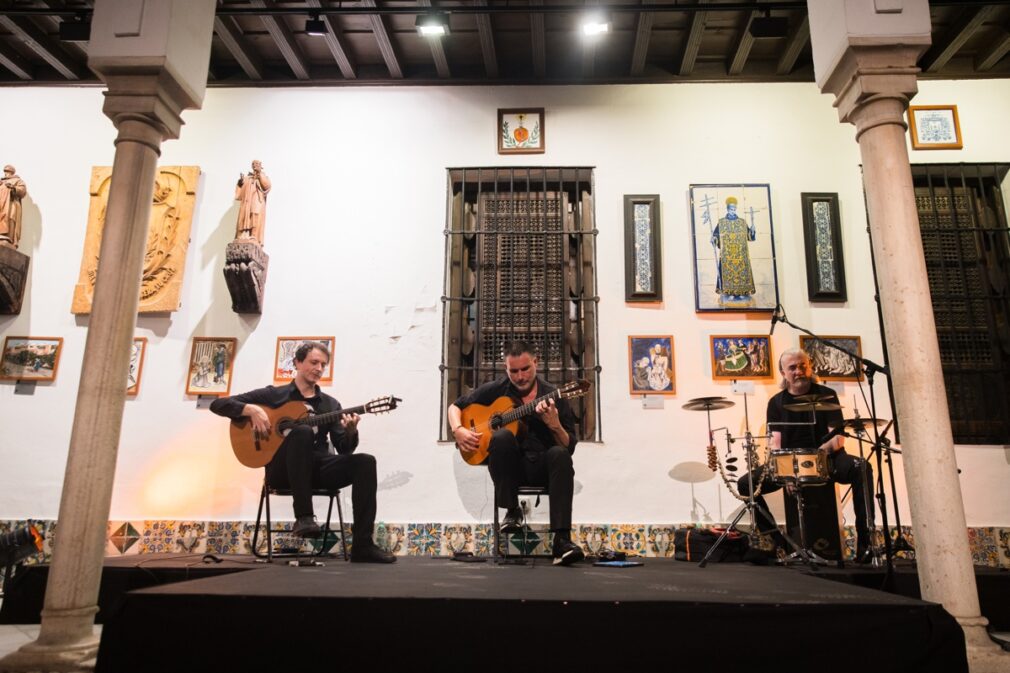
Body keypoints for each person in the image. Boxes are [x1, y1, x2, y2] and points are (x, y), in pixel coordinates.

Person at [210, 341, 394, 563]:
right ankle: (304, 517)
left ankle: (363, 546)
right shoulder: (274, 395)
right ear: (297, 362)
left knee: (365, 462)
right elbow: (218, 404)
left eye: (323, 365)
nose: (319, 368)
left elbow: (344, 450)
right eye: (313, 362)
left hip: (318, 469)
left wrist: (351, 432)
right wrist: (251, 409)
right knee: (303, 431)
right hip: (282, 471)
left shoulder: (330, 404)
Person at [447, 340, 584, 566]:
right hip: (509, 471)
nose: (520, 377)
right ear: (506, 369)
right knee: (501, 437)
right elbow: (456, 406)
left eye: (525, 369)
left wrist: (555, 425)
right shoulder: (497, 389)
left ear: (536, 363)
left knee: (559, 454)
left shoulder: (554, 395)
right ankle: (512, 512)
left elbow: (569, 447)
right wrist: (458, 429)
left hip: (543, 467)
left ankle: (562, 542)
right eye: (514, 371)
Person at [737, 348, 874, 561]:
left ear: (809, 367)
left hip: (828, 459)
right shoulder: (776, 402)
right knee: (746, 484)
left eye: (803, 366)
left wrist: (813, 459)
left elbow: (837, 439)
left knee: (861, 467)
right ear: (783, 373)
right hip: (789, 464)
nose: (799, 371)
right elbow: (775, 444)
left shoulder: (827, 395)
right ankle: (777, 542)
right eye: (792, 367)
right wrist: (788, 473)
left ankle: (866, 545)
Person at [711, 196, 756, 303]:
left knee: (742, 273)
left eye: (734, 209)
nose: (733, 211)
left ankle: (741, 293)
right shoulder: (722, 222)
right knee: (727, 273)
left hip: (741, 255)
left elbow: (749, 237)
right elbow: (716, 236)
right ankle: (728, 293)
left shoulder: (742, 222)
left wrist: (752, 231)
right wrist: (714, 238)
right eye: (731, 209)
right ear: (727, 209)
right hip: (727, 255)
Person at [234, 159, 271, 245]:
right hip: (247, 201)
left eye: (257, 163)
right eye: (253, 164)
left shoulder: (264, 176)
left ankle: (254, 235)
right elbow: (240, 191)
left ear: (261, 166)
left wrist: (260, 175)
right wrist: (240, 182)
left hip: (257, 200)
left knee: (255, 214)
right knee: (244, 216)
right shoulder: (248, 178)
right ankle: (243, 235)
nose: (255, 165)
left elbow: (267, 186)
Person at [0, 164, 27, 249]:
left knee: (10, 218)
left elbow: (22, 191)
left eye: (8, 172)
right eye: (5, 172)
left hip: (11, 203)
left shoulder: (18, 180)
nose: (6, 174)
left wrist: (13, 188)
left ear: (12, 172)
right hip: (1, 204)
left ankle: (9, 238)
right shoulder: (1, 181)